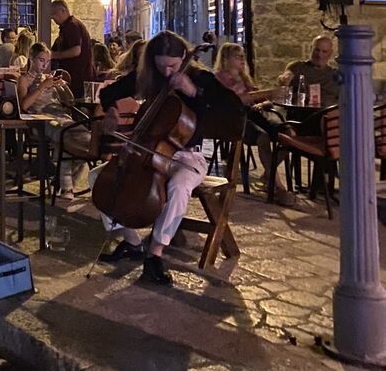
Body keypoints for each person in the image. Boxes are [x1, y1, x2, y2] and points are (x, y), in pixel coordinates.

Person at [95, 30, 242, 285]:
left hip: (188, 157)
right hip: (150, 154)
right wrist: (110, 111)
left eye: (172, 66)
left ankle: (155, 254)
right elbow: (109, 92)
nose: (166, 72)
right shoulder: (149, 77)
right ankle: (132, 242)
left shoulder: (201, 78)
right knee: (99, 176)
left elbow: (233, 112)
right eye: (160, 66)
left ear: (184, 56)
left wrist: (194, 91)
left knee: (179, 185)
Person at [213, 43, 295, 205]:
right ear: (226, 59)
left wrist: (265, 102)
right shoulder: (219, 78)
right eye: (237, 56)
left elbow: (260, 98)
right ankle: (279, 188)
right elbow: (237, 100)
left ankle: (268, 174)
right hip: (235, 119)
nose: (242, 59)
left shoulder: (244, 77)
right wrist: (270, 92)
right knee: (263, 138)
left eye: (243, 55)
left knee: (288, 134)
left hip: (255, 114)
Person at [18, 43, 90, 198]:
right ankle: (67, 188)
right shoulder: (24, 80)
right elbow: (24, 106)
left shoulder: (48, 78)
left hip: (61, 116)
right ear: (32, 58)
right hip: (40, 119)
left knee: (87, 140)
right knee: (66, 139)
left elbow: (70, 102)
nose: (44, 65)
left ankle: (62, 182)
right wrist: (42, 87)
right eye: (41, 60)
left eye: (47, 61)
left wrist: (62, 88)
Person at [277, 34, 340, 106]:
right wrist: (284, 80)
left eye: (324, 51)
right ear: (311, 49)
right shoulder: (297, 67)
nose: (319, 55)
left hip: (326, 114)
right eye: (317, 50)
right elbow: (285, 81)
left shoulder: (335, 75)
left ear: (330, 53)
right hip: (299, 114)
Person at [49, 0, 94, 98]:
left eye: (54, 14)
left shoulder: (72, 26)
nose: (53, 18)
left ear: (63, 11)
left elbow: (76, 51)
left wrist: (54, 55)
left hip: (77, 77)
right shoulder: (67, 27)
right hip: (75, 76)